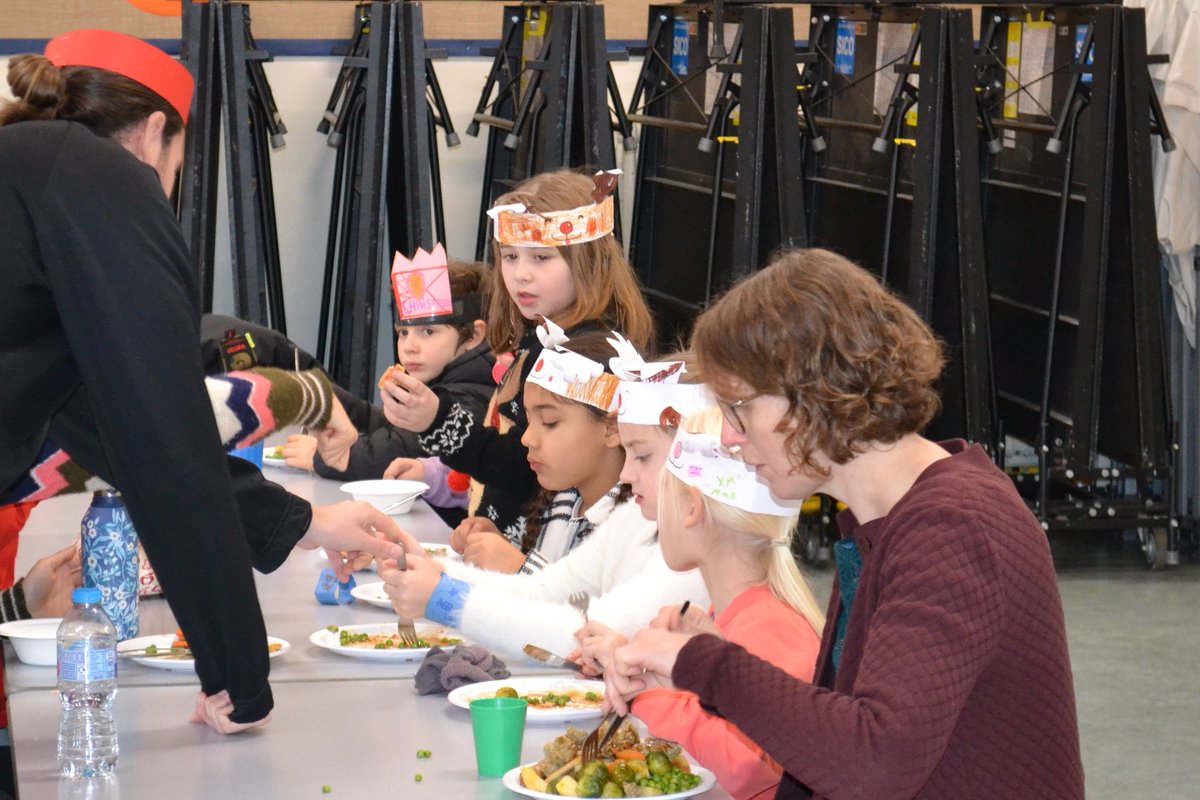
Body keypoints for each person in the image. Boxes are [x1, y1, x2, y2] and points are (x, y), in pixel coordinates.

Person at [0, 31, 405, 736]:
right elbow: (164, 437)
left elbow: (106, 423)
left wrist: (299, 523)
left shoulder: (26, 180)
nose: (164, 193)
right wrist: (237, 678)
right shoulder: (102, 178)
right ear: (154, 134)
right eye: (174, 171)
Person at [602, 249, 1085, 799]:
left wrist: (707, 666)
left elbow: (875, 762)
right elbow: (841, 744)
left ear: (807, 394)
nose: (731, 437)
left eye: (739, 409)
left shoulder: (954, 528)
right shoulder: (881, 519)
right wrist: (702, 672)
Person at [379, 328, 708, 660]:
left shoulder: (693, 562)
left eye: (643, 456)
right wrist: (435, 572)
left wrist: (445, 600)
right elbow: (543, 593)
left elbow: (581, 634)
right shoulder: (634, 517)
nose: (626, 473)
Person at [381, 169, 654, 561]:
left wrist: (437, 420)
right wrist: (495, 524)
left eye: (541, 257)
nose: (520, 273)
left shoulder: (584, 356)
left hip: (548, 571)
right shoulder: (538, 338)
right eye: (509, 256)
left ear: (589, 262)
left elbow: (527, 466)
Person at [574, 407, 825, 800]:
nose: (625, 476)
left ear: (692, 508)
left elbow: (746, 762)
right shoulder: (726, 613)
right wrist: (646, 672)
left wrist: (646, 698)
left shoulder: (772, 625)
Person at [283, 255, 494, 526]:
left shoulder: (471, 395)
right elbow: (389, 427)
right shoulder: (444, 379)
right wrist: (326, 401)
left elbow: (396, 451)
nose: (409, 346)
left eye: (428, 332)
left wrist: (322, 457)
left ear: (474, 335)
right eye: (403, 333)